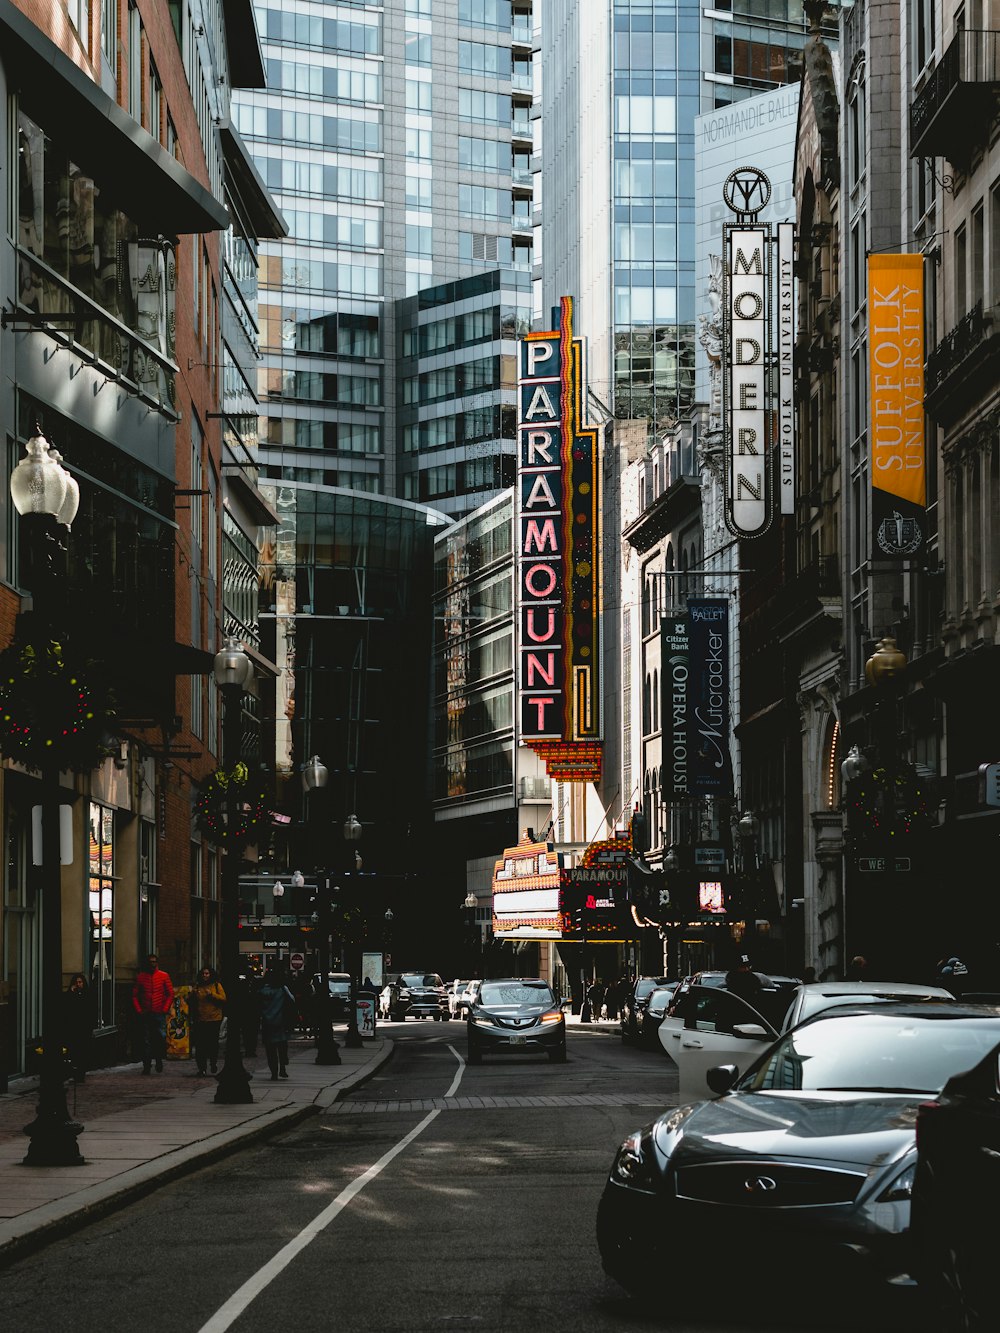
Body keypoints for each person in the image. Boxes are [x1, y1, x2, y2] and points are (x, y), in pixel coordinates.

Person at [133, 953, 174, 1074]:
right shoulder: (141, 977)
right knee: (146, 1040)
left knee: (160, 1038)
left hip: (159, 1012)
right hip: (146, 1013)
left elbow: (170, 993)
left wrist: (165, 1008)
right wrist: (139, 1010)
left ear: (157, 963)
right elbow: (135, 995)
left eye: (154, 961)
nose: (152, 964)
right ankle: (147, 1066)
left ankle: (158, 1060)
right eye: (150, 962)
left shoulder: (163, 976)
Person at [258, 964, 296, 1081]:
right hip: (280, 1021)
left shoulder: (261, 991)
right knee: (282, 1045)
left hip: (266, 1022)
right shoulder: (282, 989)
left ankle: (274, 1072)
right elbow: (292, 1000)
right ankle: (283, 1066)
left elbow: (256, 1005)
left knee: (270, 1049)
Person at [188, 966, 226, 1076]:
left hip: (214, 1019)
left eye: (207, 974)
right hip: (200, 1019)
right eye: (203, 974)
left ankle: (213, 1063)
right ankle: (202, 1068)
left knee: (212, 1044)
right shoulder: (198, 986)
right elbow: (190, 1001)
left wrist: (212, 994)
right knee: (200, 1045)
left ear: (211, 975)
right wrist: (192, 994)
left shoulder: (216, 985)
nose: (205, 976)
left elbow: (223, 998)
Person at [63, 973, 92, 1083]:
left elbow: (89, 1011)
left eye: (80, 982)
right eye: (76, 982)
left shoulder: (87, 995)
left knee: (82, 1052)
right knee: (74, 1052)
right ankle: (75, 1074)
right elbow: (66, 1006)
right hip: (73, 1028)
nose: (78, 984)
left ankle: (81, 1074)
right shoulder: (71, 995)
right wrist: (71, 992)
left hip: (83, 1028)